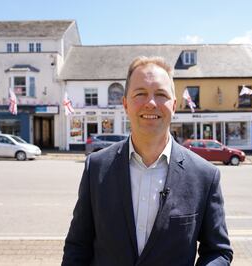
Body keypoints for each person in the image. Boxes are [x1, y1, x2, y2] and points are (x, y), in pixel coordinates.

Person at [62, 56, 233, 265]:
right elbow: (78, 247)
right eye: (140, 93)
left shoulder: (205, 175)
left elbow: (218, 252)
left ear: (174, 105)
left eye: (161, 94)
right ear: (125, 104)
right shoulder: (96, 168)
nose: (150, 103)